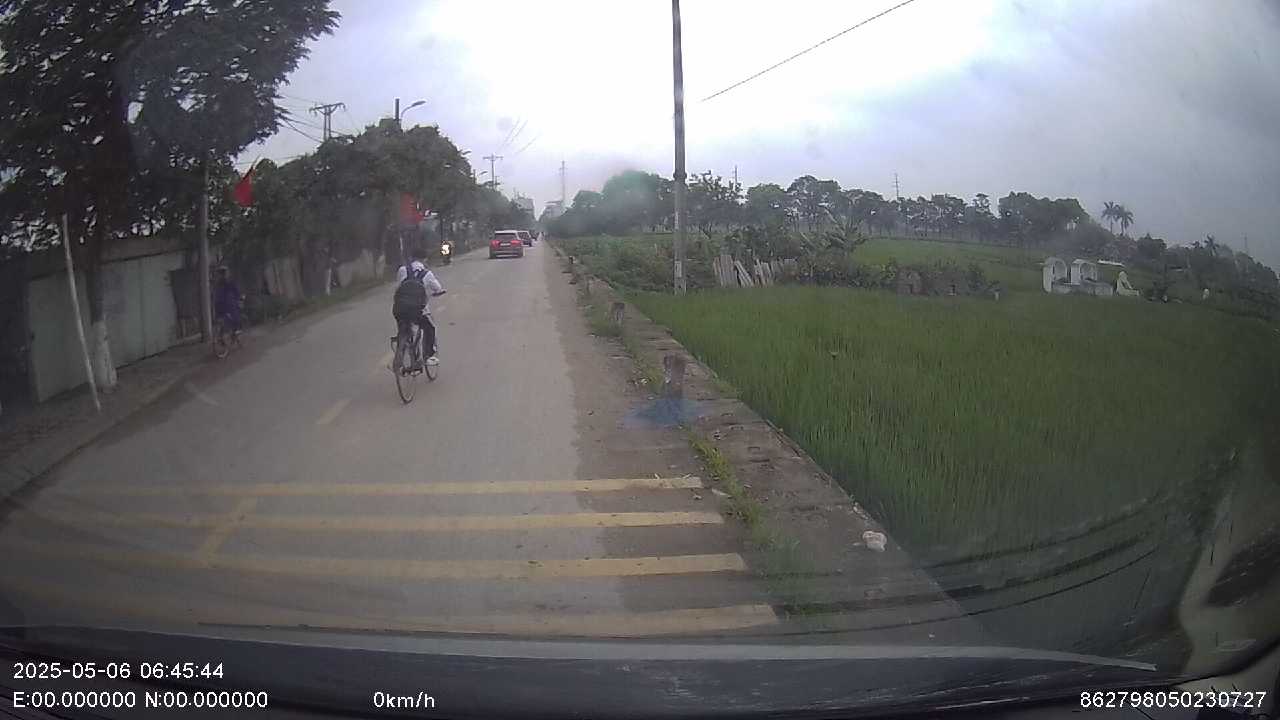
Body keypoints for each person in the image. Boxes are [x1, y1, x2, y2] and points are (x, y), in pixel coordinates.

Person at [393, 248, 445, 369]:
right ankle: (429, 356)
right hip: (418, 310)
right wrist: (437, 292)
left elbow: (398, 287)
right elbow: (438, 288)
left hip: (399, 308)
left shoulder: (402, 270)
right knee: (430, 328)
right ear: (425, 260)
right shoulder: (427, 274)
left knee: (403, 327)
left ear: (411, 258)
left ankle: (401, 348)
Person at [212, 266, 242, 334]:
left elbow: (215, 293)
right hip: (226, 305)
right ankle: (235, 330)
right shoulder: (227, 282)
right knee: (235, 315)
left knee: (224, 317)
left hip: (219, 304)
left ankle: (227, 331)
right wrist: (239, 298)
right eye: (224, 273)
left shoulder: (218, 283)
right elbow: (236, 292)